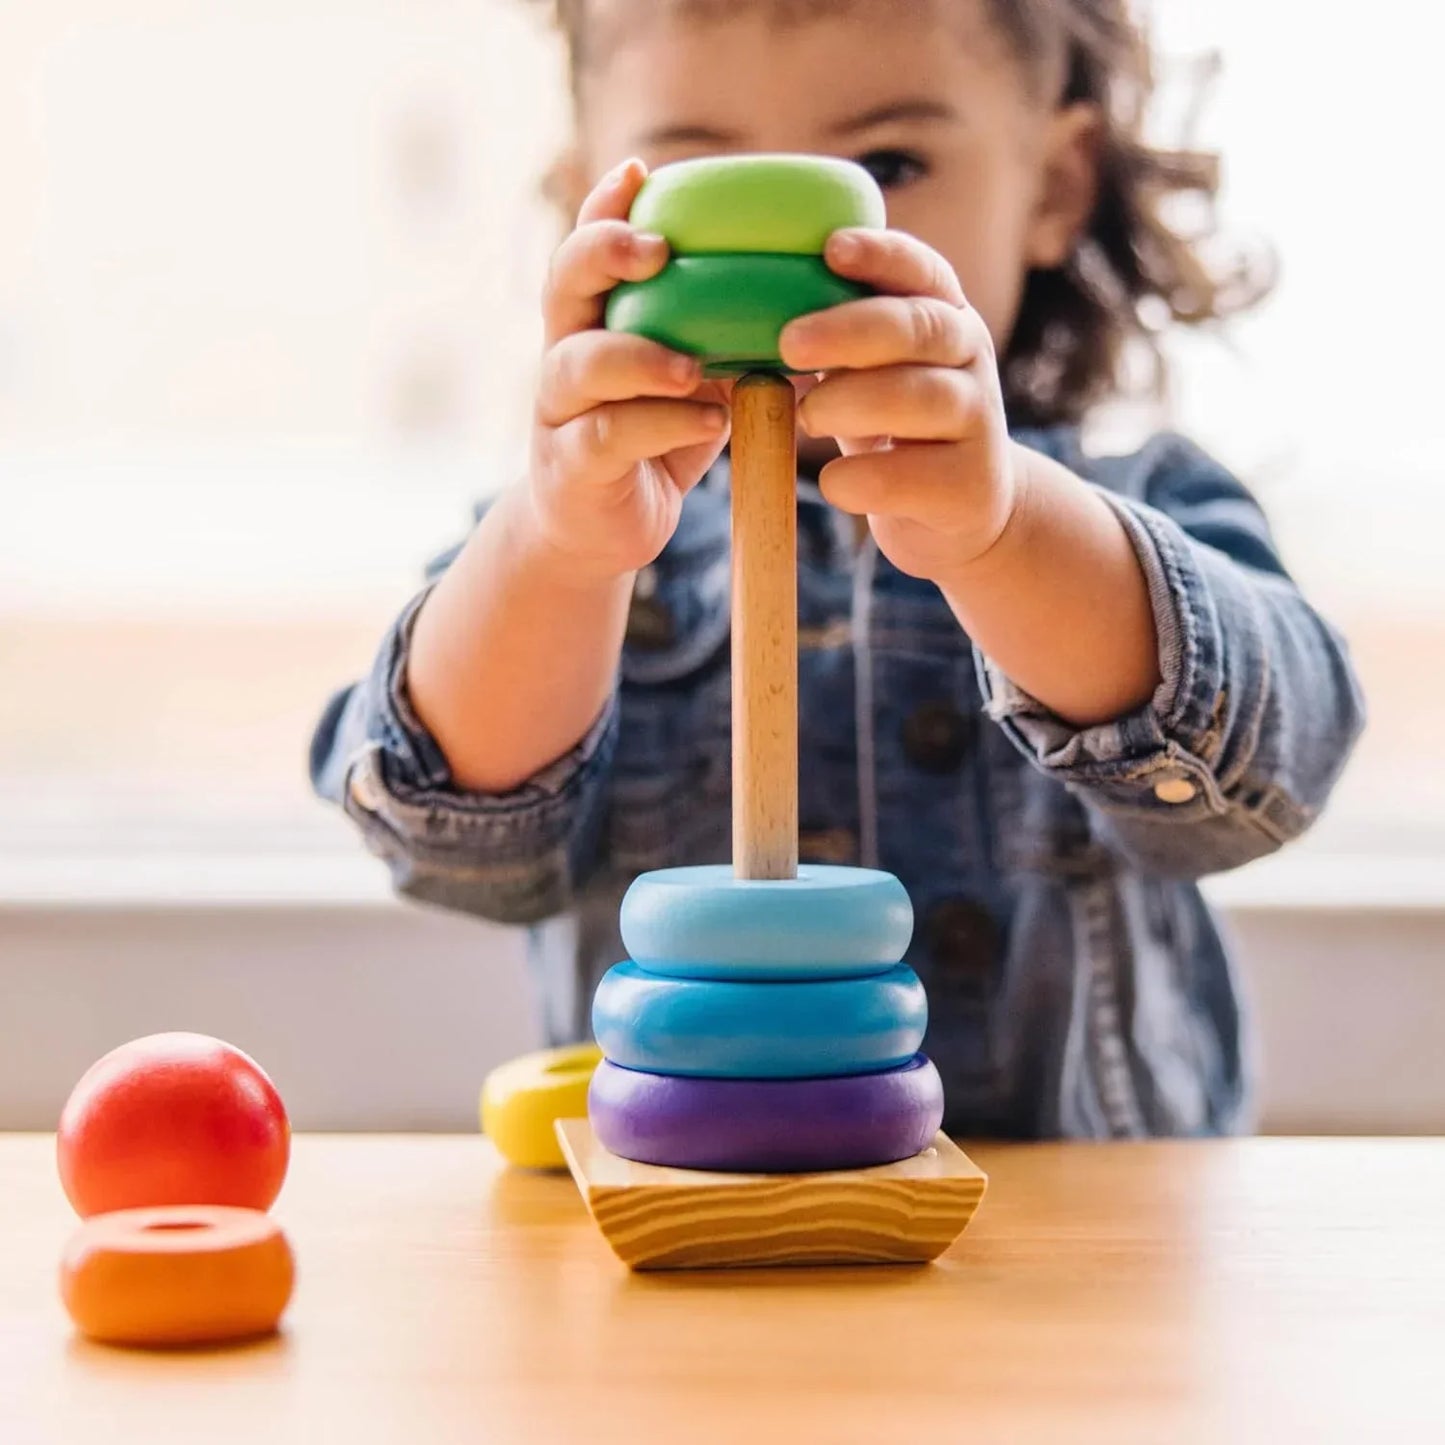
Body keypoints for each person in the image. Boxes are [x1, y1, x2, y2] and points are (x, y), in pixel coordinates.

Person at [310, 0, 1365, 1138]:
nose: (795, 257)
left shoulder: (1132, 500)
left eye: (888, 164)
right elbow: (449, 844)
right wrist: (556, 555)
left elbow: (1273, 768)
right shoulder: (566, 537)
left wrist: (1006, 533)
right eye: (694, 178)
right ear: (588, 205)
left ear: (1052, 188)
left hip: (1074, 1229)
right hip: (692, 1201)